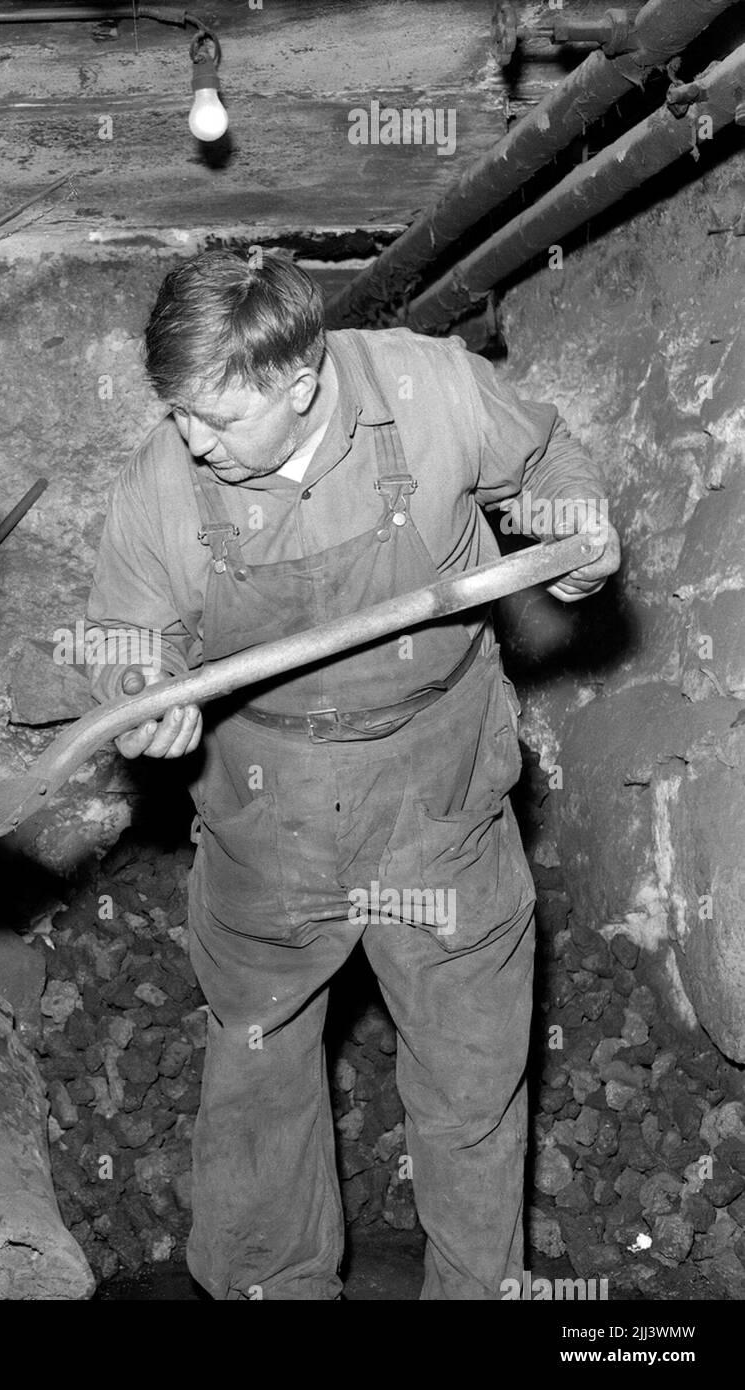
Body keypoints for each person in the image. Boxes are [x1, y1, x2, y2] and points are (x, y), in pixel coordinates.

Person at [84, 249, 620, 1300]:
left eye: (216, 420)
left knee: (469, 1072)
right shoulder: (164, 480)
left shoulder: (430, 391)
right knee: (258, 1059)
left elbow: (544, 465)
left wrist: (577, 529)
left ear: (301, 384)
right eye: (178, 413)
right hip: (266, 808)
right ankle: (273, 1286)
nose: (191, 439)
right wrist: (143, 690)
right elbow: (118, 635)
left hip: (438, 790)